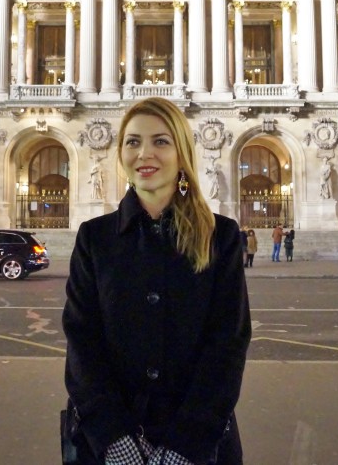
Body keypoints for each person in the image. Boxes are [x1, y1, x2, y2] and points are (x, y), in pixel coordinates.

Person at [63, 97, 251, 465]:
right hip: (107, 444)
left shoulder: (221, 236)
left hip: (197, 444)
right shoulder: (95, 238)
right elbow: (82, 342)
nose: (144, 153)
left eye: (160, 141)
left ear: (181, 153)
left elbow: (227, 345)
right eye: (133, 142)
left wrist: (184, 446)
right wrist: (115, 439)